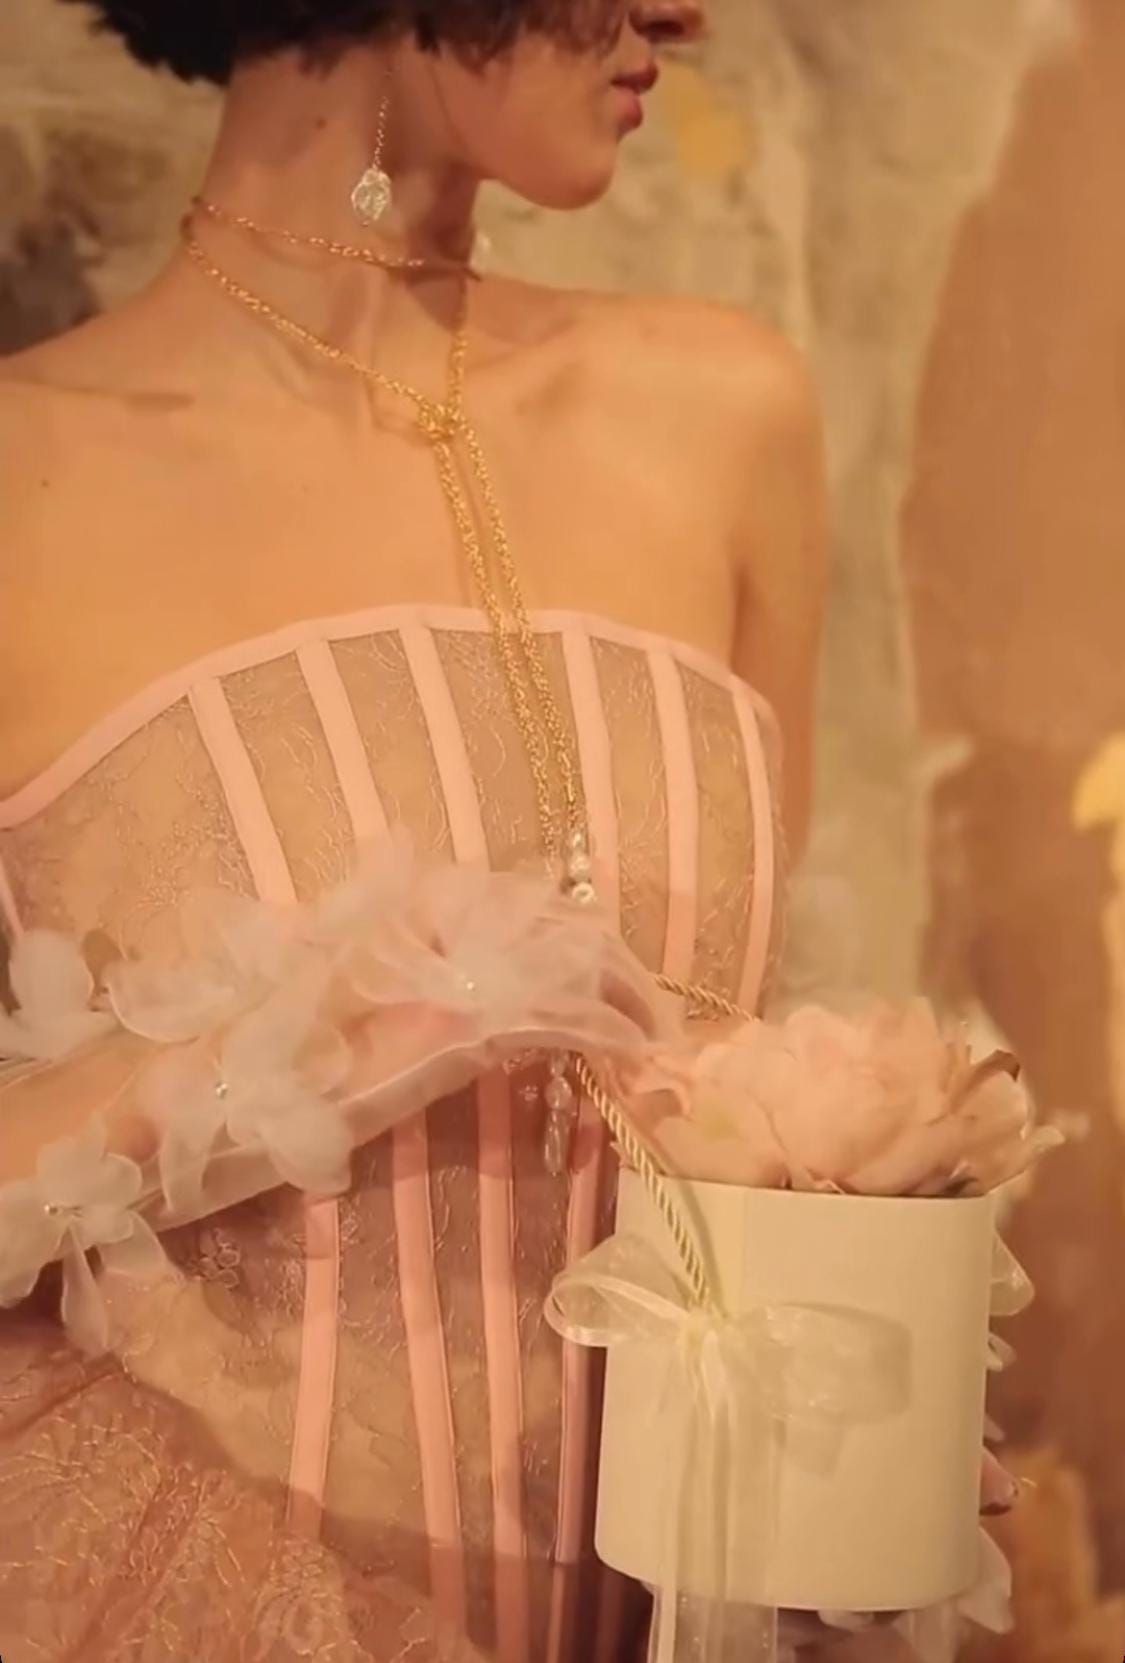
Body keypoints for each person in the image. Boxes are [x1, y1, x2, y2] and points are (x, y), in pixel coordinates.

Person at [0, 2, 831, 1658]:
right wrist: (266, 1055)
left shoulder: (724, 412)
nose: (684, 15)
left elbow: (734, 1050)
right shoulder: (29, 476)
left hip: (673, 1601)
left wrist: (855, 1339)